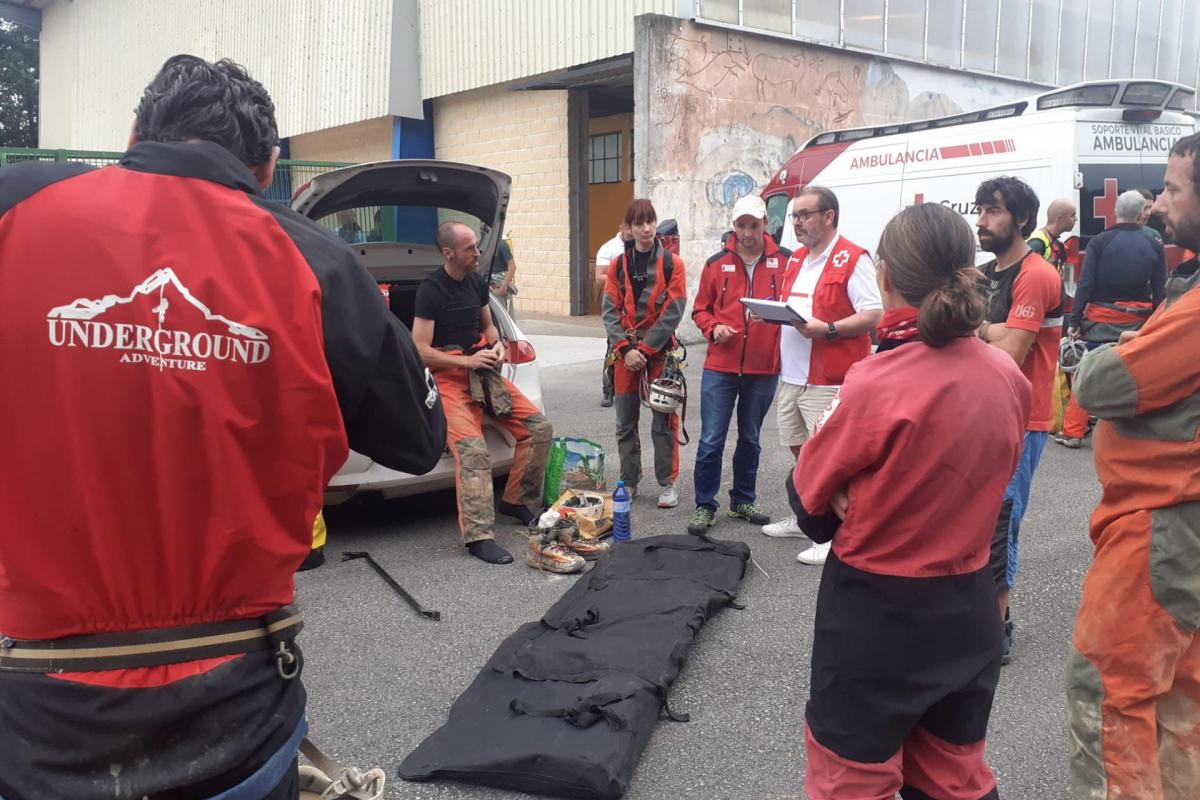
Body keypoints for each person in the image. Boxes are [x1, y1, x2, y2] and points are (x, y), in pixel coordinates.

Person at [0, 54, 447, 799]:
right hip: (237, 714)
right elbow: (419, 440)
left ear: (135, 135)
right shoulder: (319, 262)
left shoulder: (16, 207)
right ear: (265, 166)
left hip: (37, 714)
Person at [791, 202, 1030, 800]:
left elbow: (809, 506)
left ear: (886, 278)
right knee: (954, 779)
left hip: (878, 616)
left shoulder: (875, 381)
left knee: (850, 781)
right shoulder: (1008, 376)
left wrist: (849, 486)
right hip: (969, 606)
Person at [1065, 133, 1200, 799]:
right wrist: (1144, 343)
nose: (1160, 204)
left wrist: (1110, 354)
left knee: (1108, 695)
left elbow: (1102, 386)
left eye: (1173, 189)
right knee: (1181, 700)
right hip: (1181, 528)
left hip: (1160, 525)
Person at [412, 221, 552, 564]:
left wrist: (498, 345)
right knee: (473, 451)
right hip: (449, 379)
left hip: (484, 372)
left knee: (539, 429)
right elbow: (420, 351)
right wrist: (467, 361)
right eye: (470, 248)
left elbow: (488, 326)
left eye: (476, 245)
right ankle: (479, 538)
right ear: (449, 253)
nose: (478, 253)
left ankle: (516, 501)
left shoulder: (476, 282)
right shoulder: (430, 290)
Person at [760, 186, 882, 566]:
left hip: (829, 377)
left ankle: (836, 535)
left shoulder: (852, 257)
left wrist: (828, 328)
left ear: (829, 216)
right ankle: (807, 517)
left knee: (830, 458)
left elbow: (873, 314)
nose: (796, 222)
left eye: (804, 215)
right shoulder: (797, 258)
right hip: (792, 377)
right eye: (794, 216)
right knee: (801, 451)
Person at [975, 176, 1064, 663]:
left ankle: (998, 627)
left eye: (993, 211)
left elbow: (1012, 352)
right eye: (980, 210)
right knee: (976, 520)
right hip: (982, 414)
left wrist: (980, 328)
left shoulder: (1037, 274)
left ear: (1023, 219)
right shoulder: (984, 273)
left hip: (1022, 420)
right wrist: (993, 329)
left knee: (1000, 526)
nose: (982, 220)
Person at [688, 195, 790, 535]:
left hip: (763, 368)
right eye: (741, 225)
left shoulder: (786, 262)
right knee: (711, 440)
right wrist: (713, 327)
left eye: (754, 225)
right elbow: (700, 309)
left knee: (751, 438)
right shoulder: (716, 264)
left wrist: (775, 317)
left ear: (765, 224)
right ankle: (705, 505)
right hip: (721, 366)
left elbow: (797, 308)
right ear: (733, 226)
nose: (747, 233)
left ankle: (743, 500)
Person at [1052, 189, 1167, 449]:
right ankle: (1135, 434)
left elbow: (1085, 284)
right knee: (1135, 374)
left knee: (1087, 372)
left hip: (1099, 322)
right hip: (1138, 322)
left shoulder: (1100, 242)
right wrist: (1158, 323)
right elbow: (1160, 290)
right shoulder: (1154, 242)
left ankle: (1073, 432)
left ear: (1115, 211)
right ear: (1141, 213)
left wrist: (1075, 321)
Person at [601, 198, 687, 507]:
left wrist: (646, 349)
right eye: (639, 223)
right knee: (625, 421)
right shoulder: (617, 265)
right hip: (625, 353)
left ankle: (667, 483)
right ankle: (630, 481)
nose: (646, 228)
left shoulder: (673, 264)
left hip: (659, 353)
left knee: (663, 421)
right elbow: (609, 310)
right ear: (628, 228)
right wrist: (625, 350)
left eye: (650, 221)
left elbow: (674, 310)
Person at [596, 223, 632, 408]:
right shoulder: (609, 248)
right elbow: (599, 276)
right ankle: (608, 389)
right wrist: (621, 279)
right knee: (613, 344)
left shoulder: (641, 246)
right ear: (622, 227)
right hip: (616, 301)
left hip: (635, 304)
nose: (633, 232)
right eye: (630, 228)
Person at [1026, 198, 1077, 294]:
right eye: (1072, 215)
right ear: (1060, 218)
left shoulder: (1056, 243)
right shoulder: (1037, 243)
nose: (1076, 219)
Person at [488, 232, 517, 315]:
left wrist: (504, 285)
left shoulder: (501, 244)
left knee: (500, 315)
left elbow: (512, 266)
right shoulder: (484, 245)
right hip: (487, 287)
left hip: (498, 288)